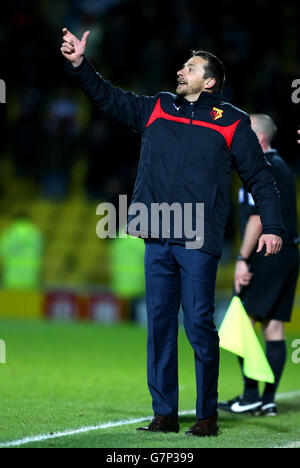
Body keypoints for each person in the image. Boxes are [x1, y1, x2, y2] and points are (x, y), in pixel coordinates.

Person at [61, 28, 284, 437]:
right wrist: (79, 65)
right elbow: (110, 98)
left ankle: (206, 416)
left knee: (198, 324)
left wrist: (272, 225)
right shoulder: (158, 107)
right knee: (160, 324)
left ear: (210, 81)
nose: (180, 71)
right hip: (157, 234)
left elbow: (261, 178)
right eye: (182, 66)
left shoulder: (233, 121)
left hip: (198, 237)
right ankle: (163, 414)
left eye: (190, 68)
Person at [220, 115, 299, 416]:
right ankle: (266, 400)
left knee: (239, 321)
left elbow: (256, 218)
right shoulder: (284, 169)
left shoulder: (261, 168)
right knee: (274, 327)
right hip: (288, 252)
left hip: (266, 253)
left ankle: (251, 394)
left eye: (245, 131)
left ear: (260, 138)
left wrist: (242, 259)